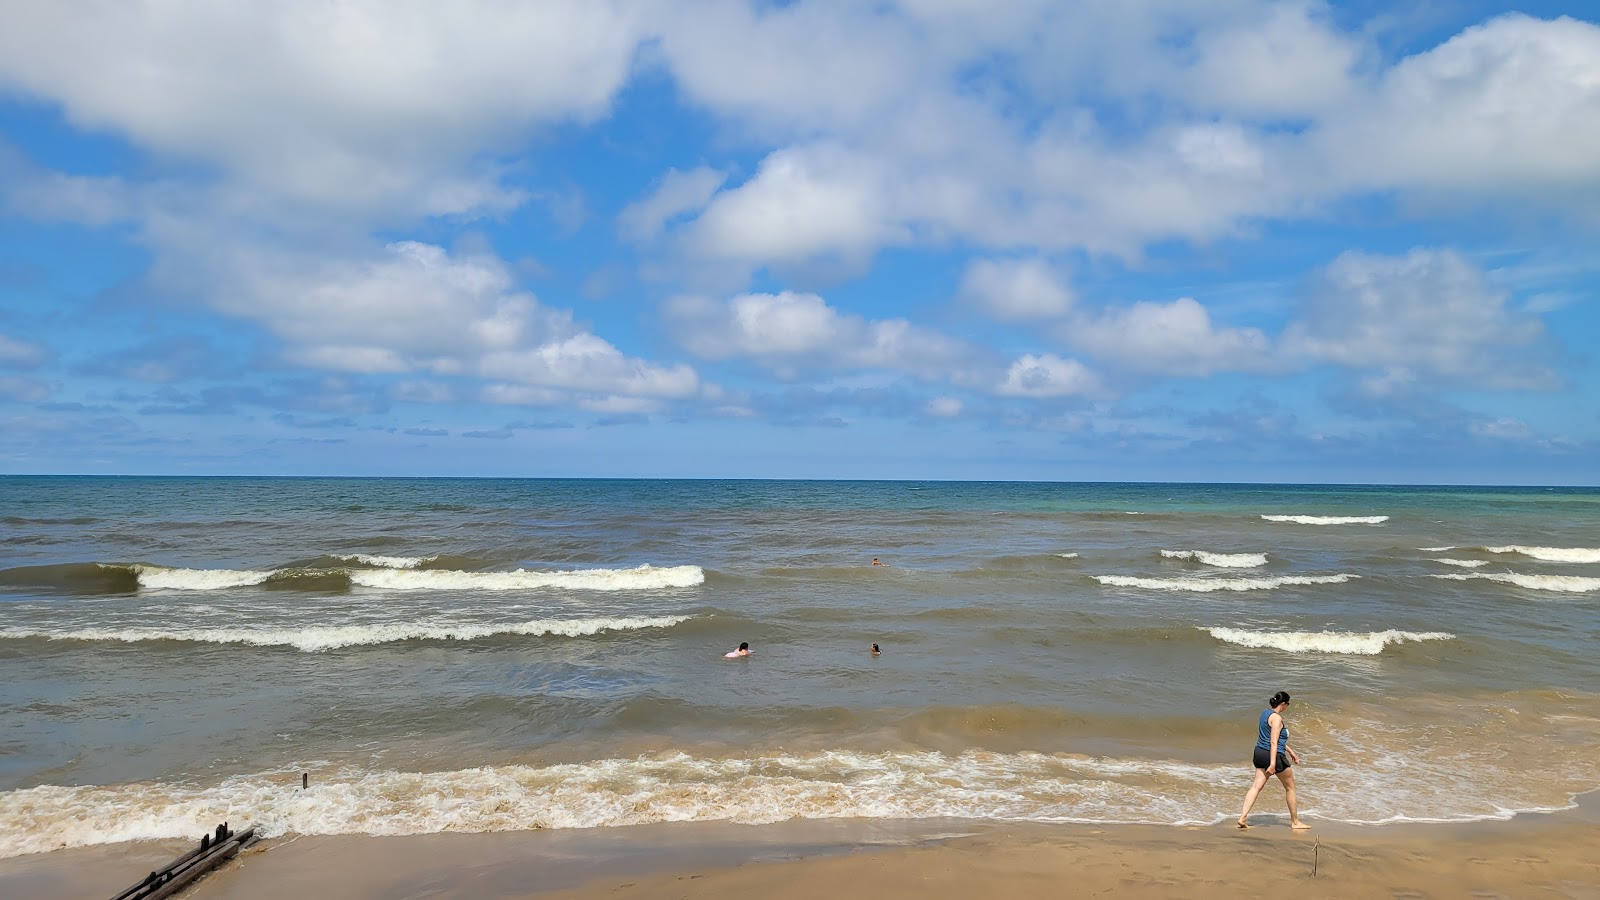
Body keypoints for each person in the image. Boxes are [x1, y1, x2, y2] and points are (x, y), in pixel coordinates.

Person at [1237, 691, 1309, 830]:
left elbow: (1274, 738)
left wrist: (1291, 751)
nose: (1287, 707)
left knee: (1256, 787)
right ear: (1283, 704)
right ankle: (1295, 822)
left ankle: (1242, 818)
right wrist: (1273, 764)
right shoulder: (1276, 718)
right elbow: (1274, 742)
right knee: (1290, 788)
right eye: (1287, 704)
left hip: (1259, 752)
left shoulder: (1265, 713)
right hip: (1273, 755)